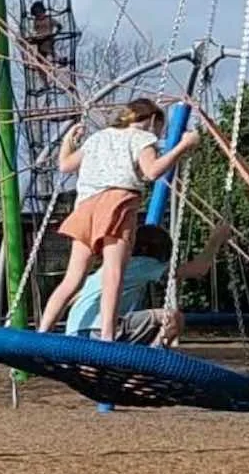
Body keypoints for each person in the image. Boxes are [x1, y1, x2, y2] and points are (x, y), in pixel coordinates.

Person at [35, 99, 202, 340]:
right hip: (117, 203)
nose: (159, 134)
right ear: (152, 120)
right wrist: (183, 146)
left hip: (85, 207)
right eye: (160, 128)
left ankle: (43, 331)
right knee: (114, 273)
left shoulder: (98, 138)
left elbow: (65, 165)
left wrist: (67, 141)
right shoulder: (143, 138)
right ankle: (107, 335)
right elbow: (152, 171)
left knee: (73, 278)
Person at [63, 222, 234, 346]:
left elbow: (74, 298)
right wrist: (216, 240)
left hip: (75, 332)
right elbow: (199, 270)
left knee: (142, 320)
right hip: (98, 331)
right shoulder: (142, 263)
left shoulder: (109, 268)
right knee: (174, 318)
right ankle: (154, 360)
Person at [25, 1, 63, 88]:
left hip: (48, 40)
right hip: (40, 42)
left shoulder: (49, 19)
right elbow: (36, 31)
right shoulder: (36, 21)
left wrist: (55, 33)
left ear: (43, 11)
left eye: (39, 12)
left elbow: (59, 26)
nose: (38, 14)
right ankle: (45, 83)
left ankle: (59, 60)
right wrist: (32, 39)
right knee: (39, 64)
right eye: (36, 13)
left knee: (49, 53)